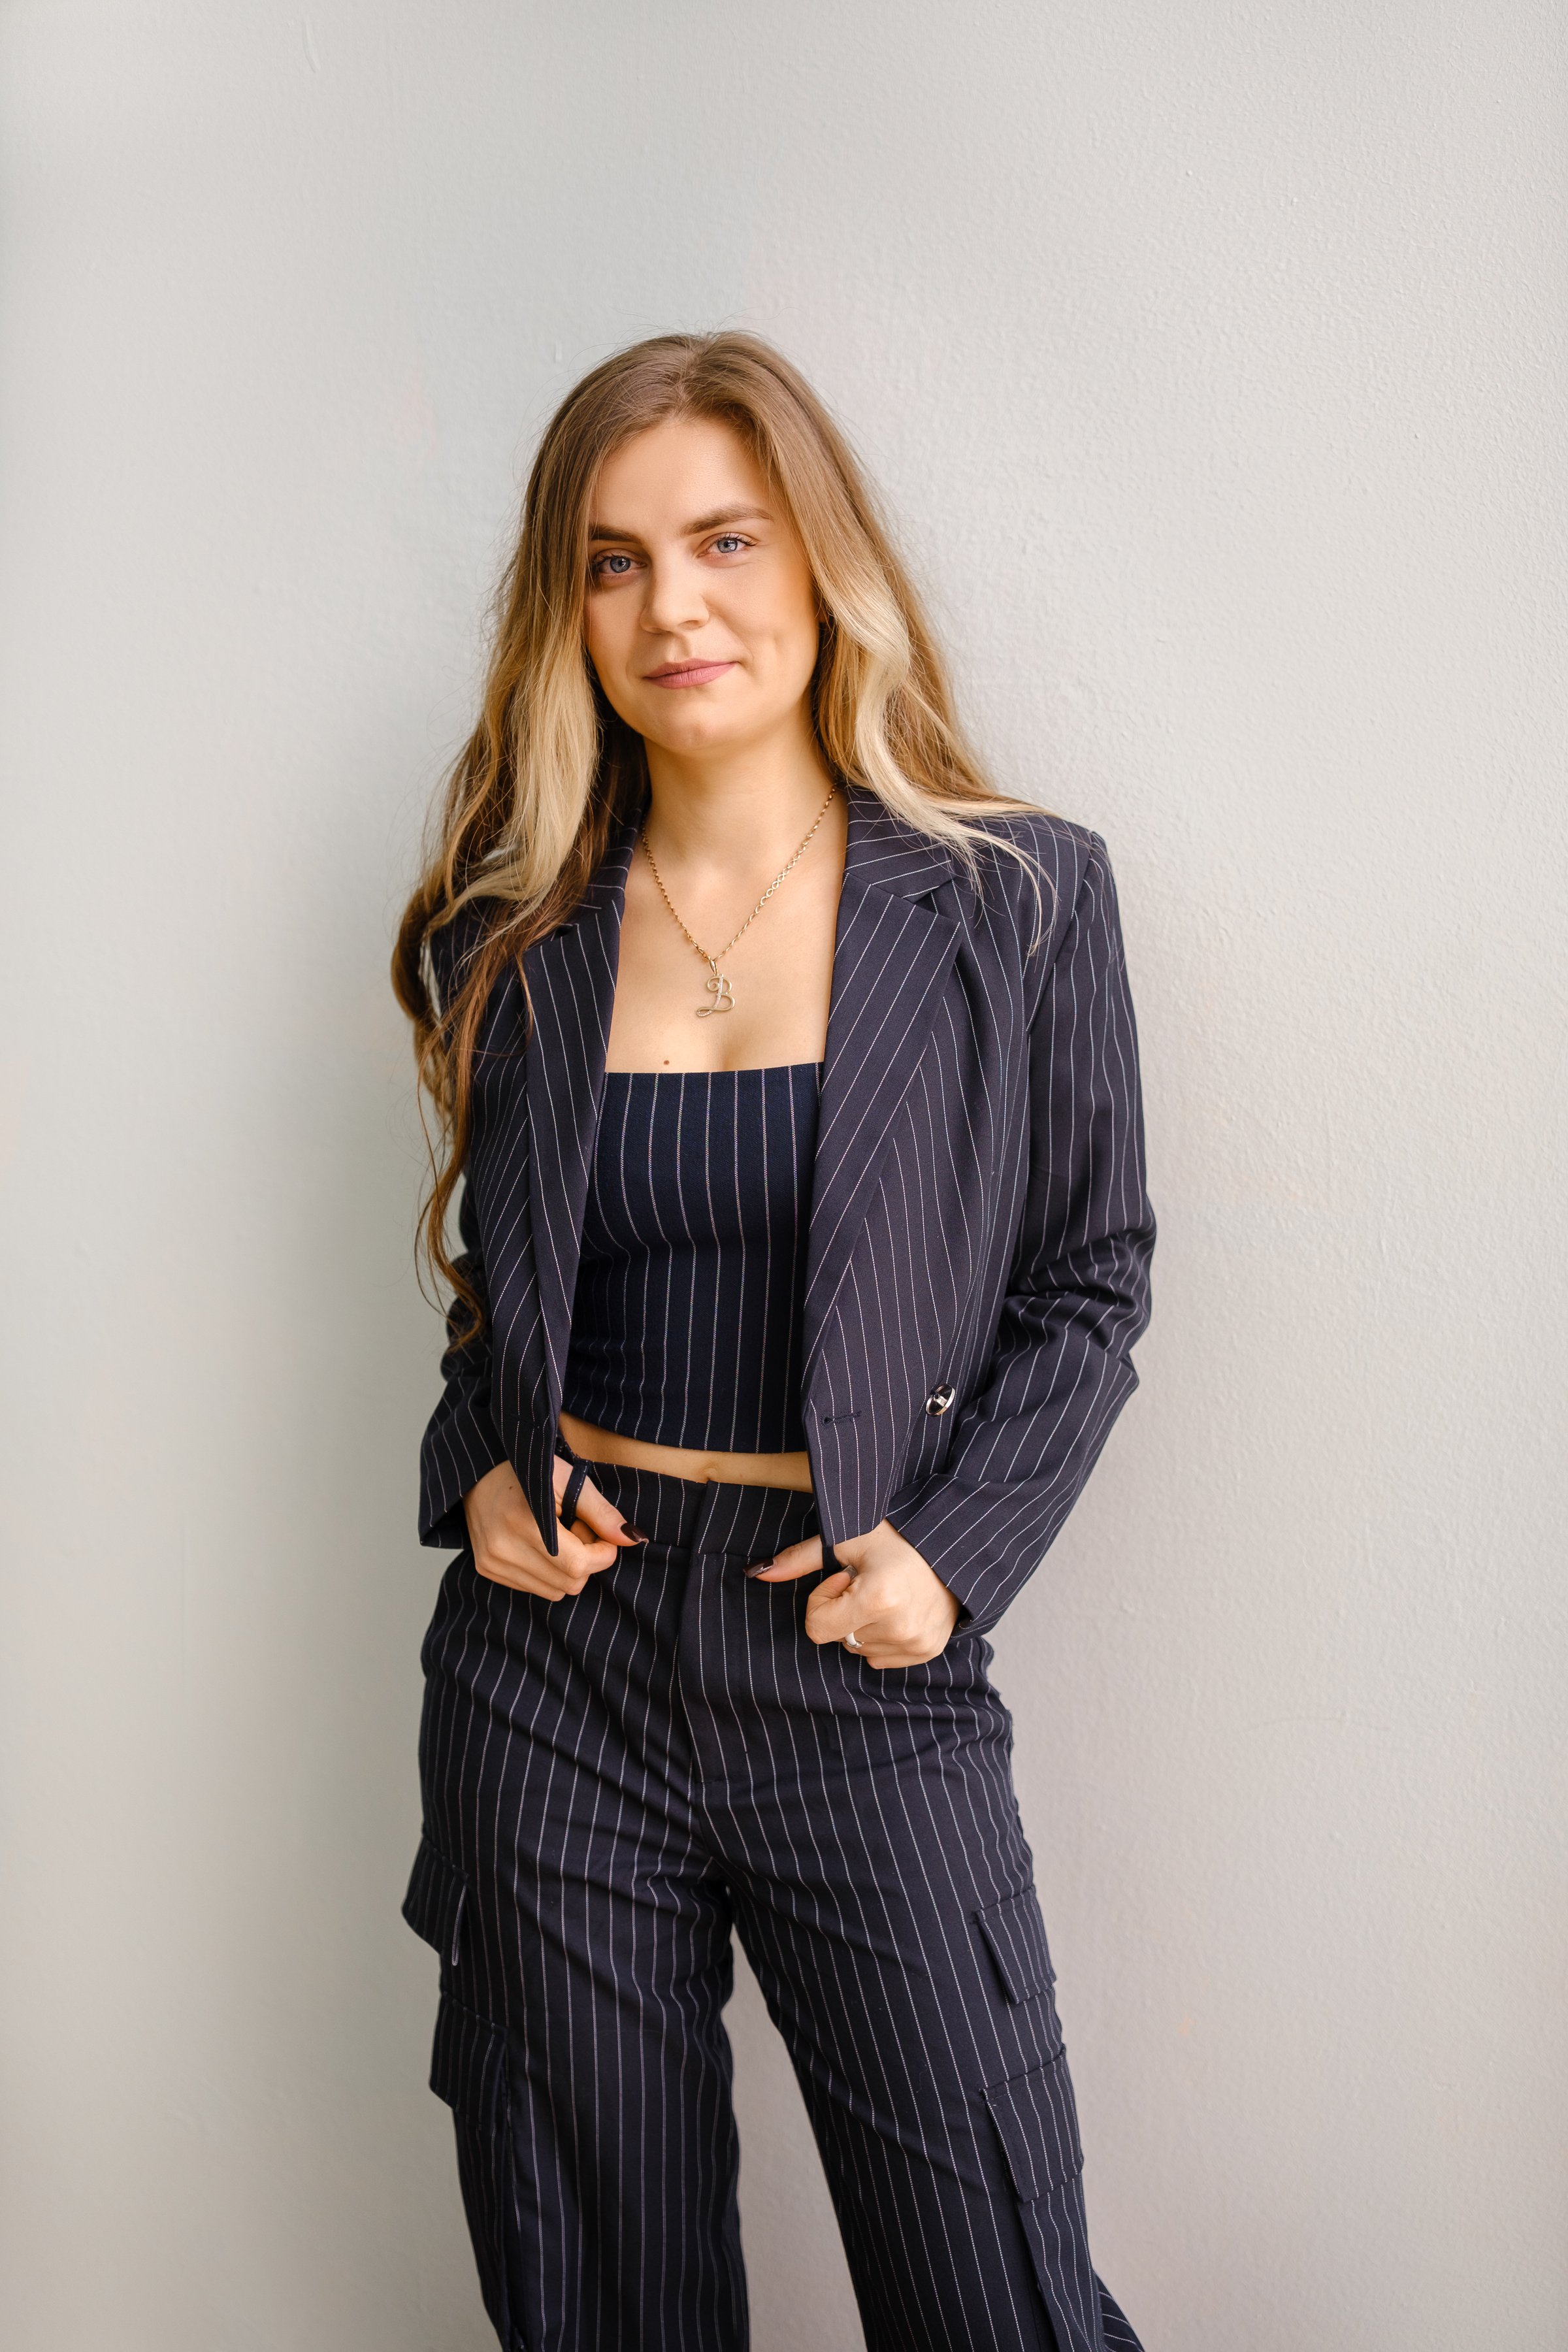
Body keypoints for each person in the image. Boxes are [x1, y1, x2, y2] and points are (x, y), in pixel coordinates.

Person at [392, 330, 1155, 2352]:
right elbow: (507, 1291)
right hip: (552, 1684)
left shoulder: (1019, 905)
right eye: (614, 560)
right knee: (603, 2301)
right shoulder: (517, 928)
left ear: (822, 564)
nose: (675, 606)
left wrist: (954, 1553)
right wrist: (473, 1469)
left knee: (995, 2295)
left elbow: (1090, 1284)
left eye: (724, 540)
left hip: (857, 1674)